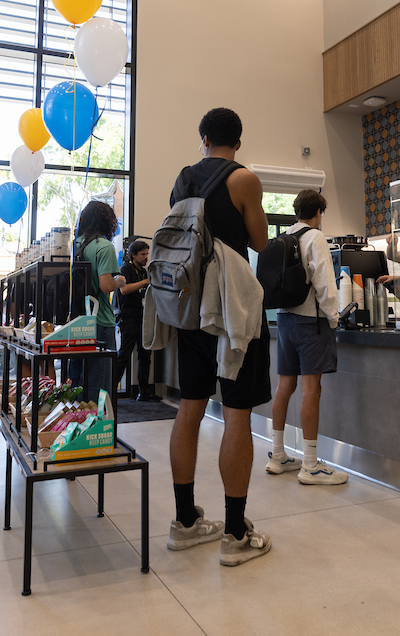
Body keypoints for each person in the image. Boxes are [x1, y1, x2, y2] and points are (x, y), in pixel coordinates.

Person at [165, 107, 273, 567]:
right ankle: (235, 533)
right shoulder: (244, 179)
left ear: (204, 138)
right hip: (232, 307)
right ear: (238, 142)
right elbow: (260, 242)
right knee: (236, 414)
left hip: (190, 308)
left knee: (189, 408)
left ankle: (185, 521)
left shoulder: (183, 178)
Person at [265, 190, 347, 485]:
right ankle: (310, 465)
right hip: (311, 321)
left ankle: (277, 455)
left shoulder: (283, 237)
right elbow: (325, 283)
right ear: (319, 212)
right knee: (311, 388)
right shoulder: (315, 237)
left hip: (284, 320)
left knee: (284, 386)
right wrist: (334, 318)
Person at [67, 201, 121, 405]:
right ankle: (95, 424)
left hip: (77, 320)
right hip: (100, 320)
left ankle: (74, 420)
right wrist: (120, 281)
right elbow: (106, 285)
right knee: (99, 382)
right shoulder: (104, 246)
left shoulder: (76, 244)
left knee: (76, 380)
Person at [116, 239, 156, 401]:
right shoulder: (125, 269)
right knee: (124, 355)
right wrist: (144, 282)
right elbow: (124, 290)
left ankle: (144, 391)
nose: (146, 257)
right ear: (133, 255)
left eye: (147, 254)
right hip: (129, 317)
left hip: (143, 317)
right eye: (142, 254)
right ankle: (111, 391)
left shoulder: (144, 271)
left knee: (145, 355)